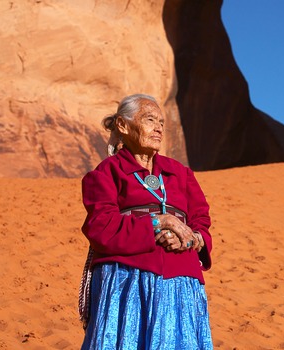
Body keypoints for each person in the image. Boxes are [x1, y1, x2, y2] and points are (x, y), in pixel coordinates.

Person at [79, 94, 213, 349]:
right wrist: (159, 222)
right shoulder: (105, 174)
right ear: (123, 125)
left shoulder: (181, 174)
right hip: (126, 280)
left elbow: (201, 220)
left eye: (161, 122)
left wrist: (191, 239)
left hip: (182, 279)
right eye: (150, 119)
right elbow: (101, 227)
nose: (159, 127)